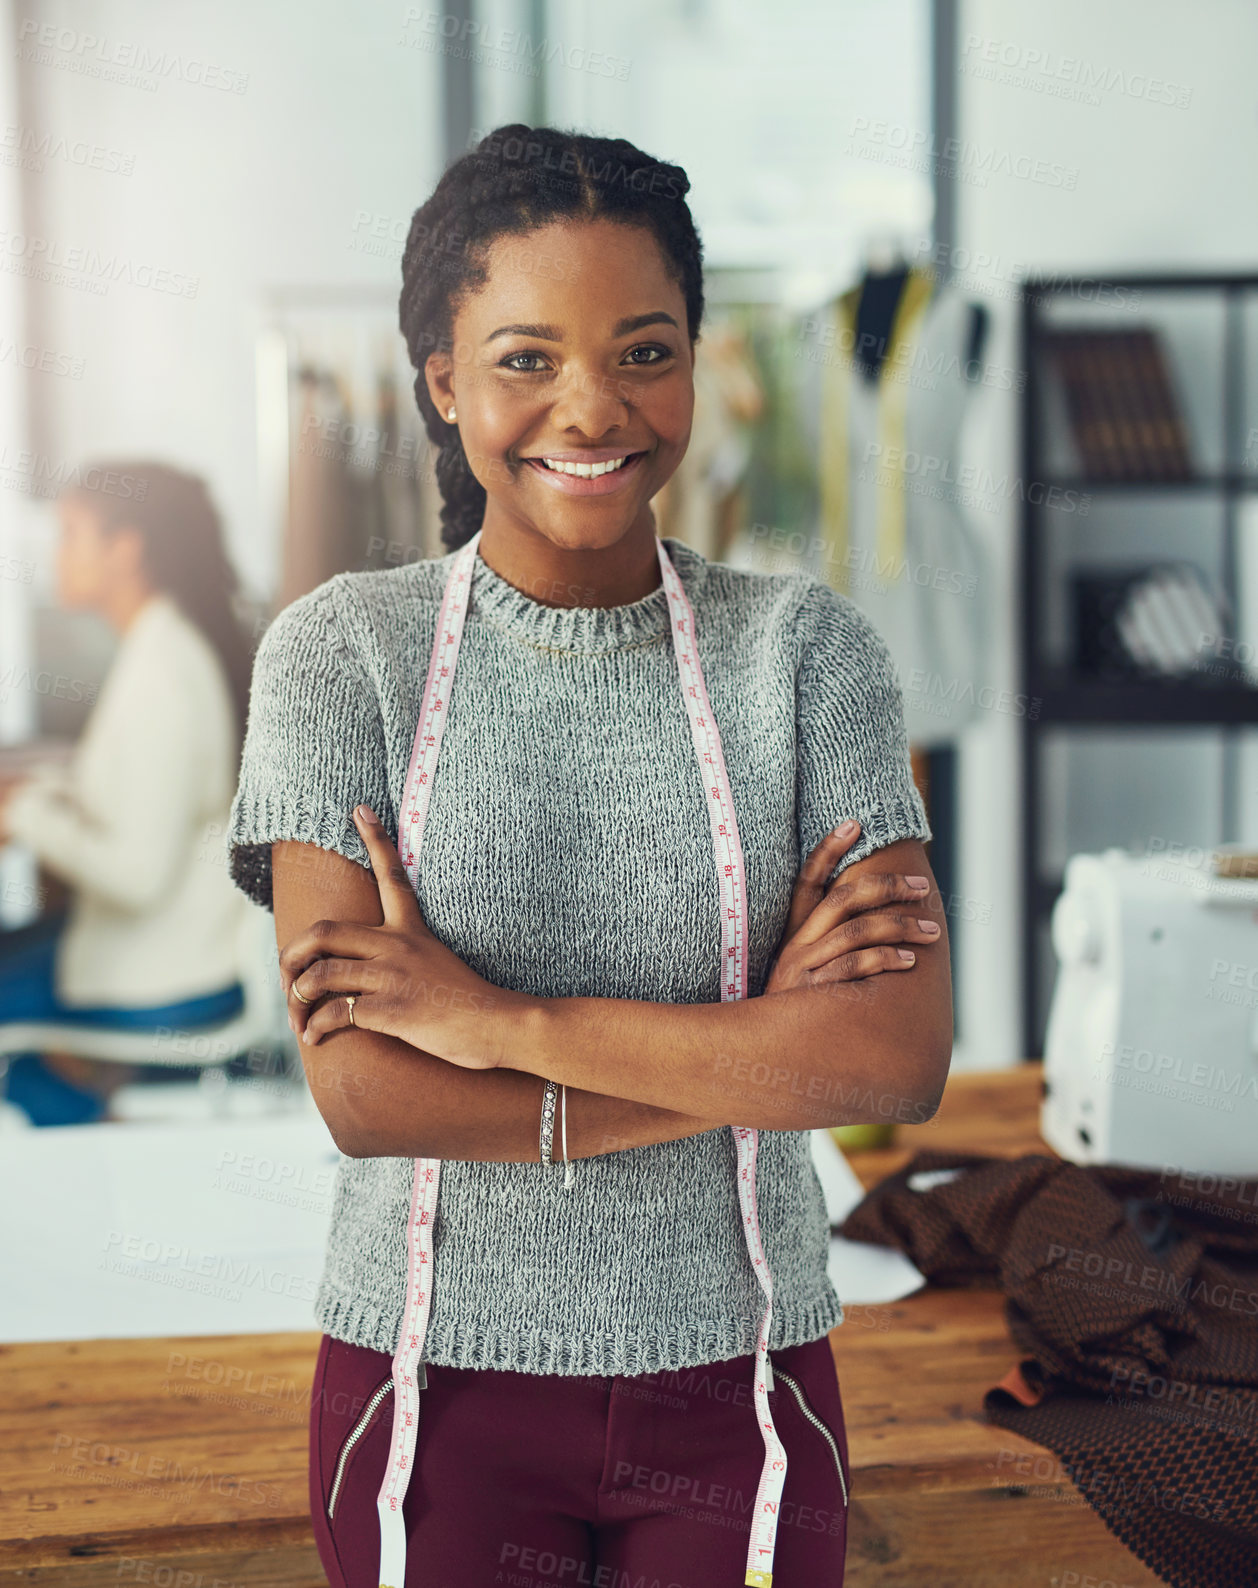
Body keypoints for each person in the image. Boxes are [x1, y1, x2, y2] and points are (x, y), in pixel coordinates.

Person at [225, 127, 952, 1588]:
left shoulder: (810, 661)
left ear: (694, 361)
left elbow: (887, 1061)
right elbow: (368, 1092)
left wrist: (501, 1028)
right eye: (522, 358)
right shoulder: (341, 660)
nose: (592, 406)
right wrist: (755, 1054)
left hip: (744, 1382)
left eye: (642, 350)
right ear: (440, 379)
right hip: (430, 1389)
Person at [0, 463, 253, 1126]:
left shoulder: (165, 670)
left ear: (126, 548)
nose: (57, 555)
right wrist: (40, 790)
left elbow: (137, 875)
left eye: (71, 534)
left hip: (163, 971)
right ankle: (74, 1105)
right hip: (147, 947)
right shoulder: (161, 646)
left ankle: (77, 1110)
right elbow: (130, 788)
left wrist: (23, 810)